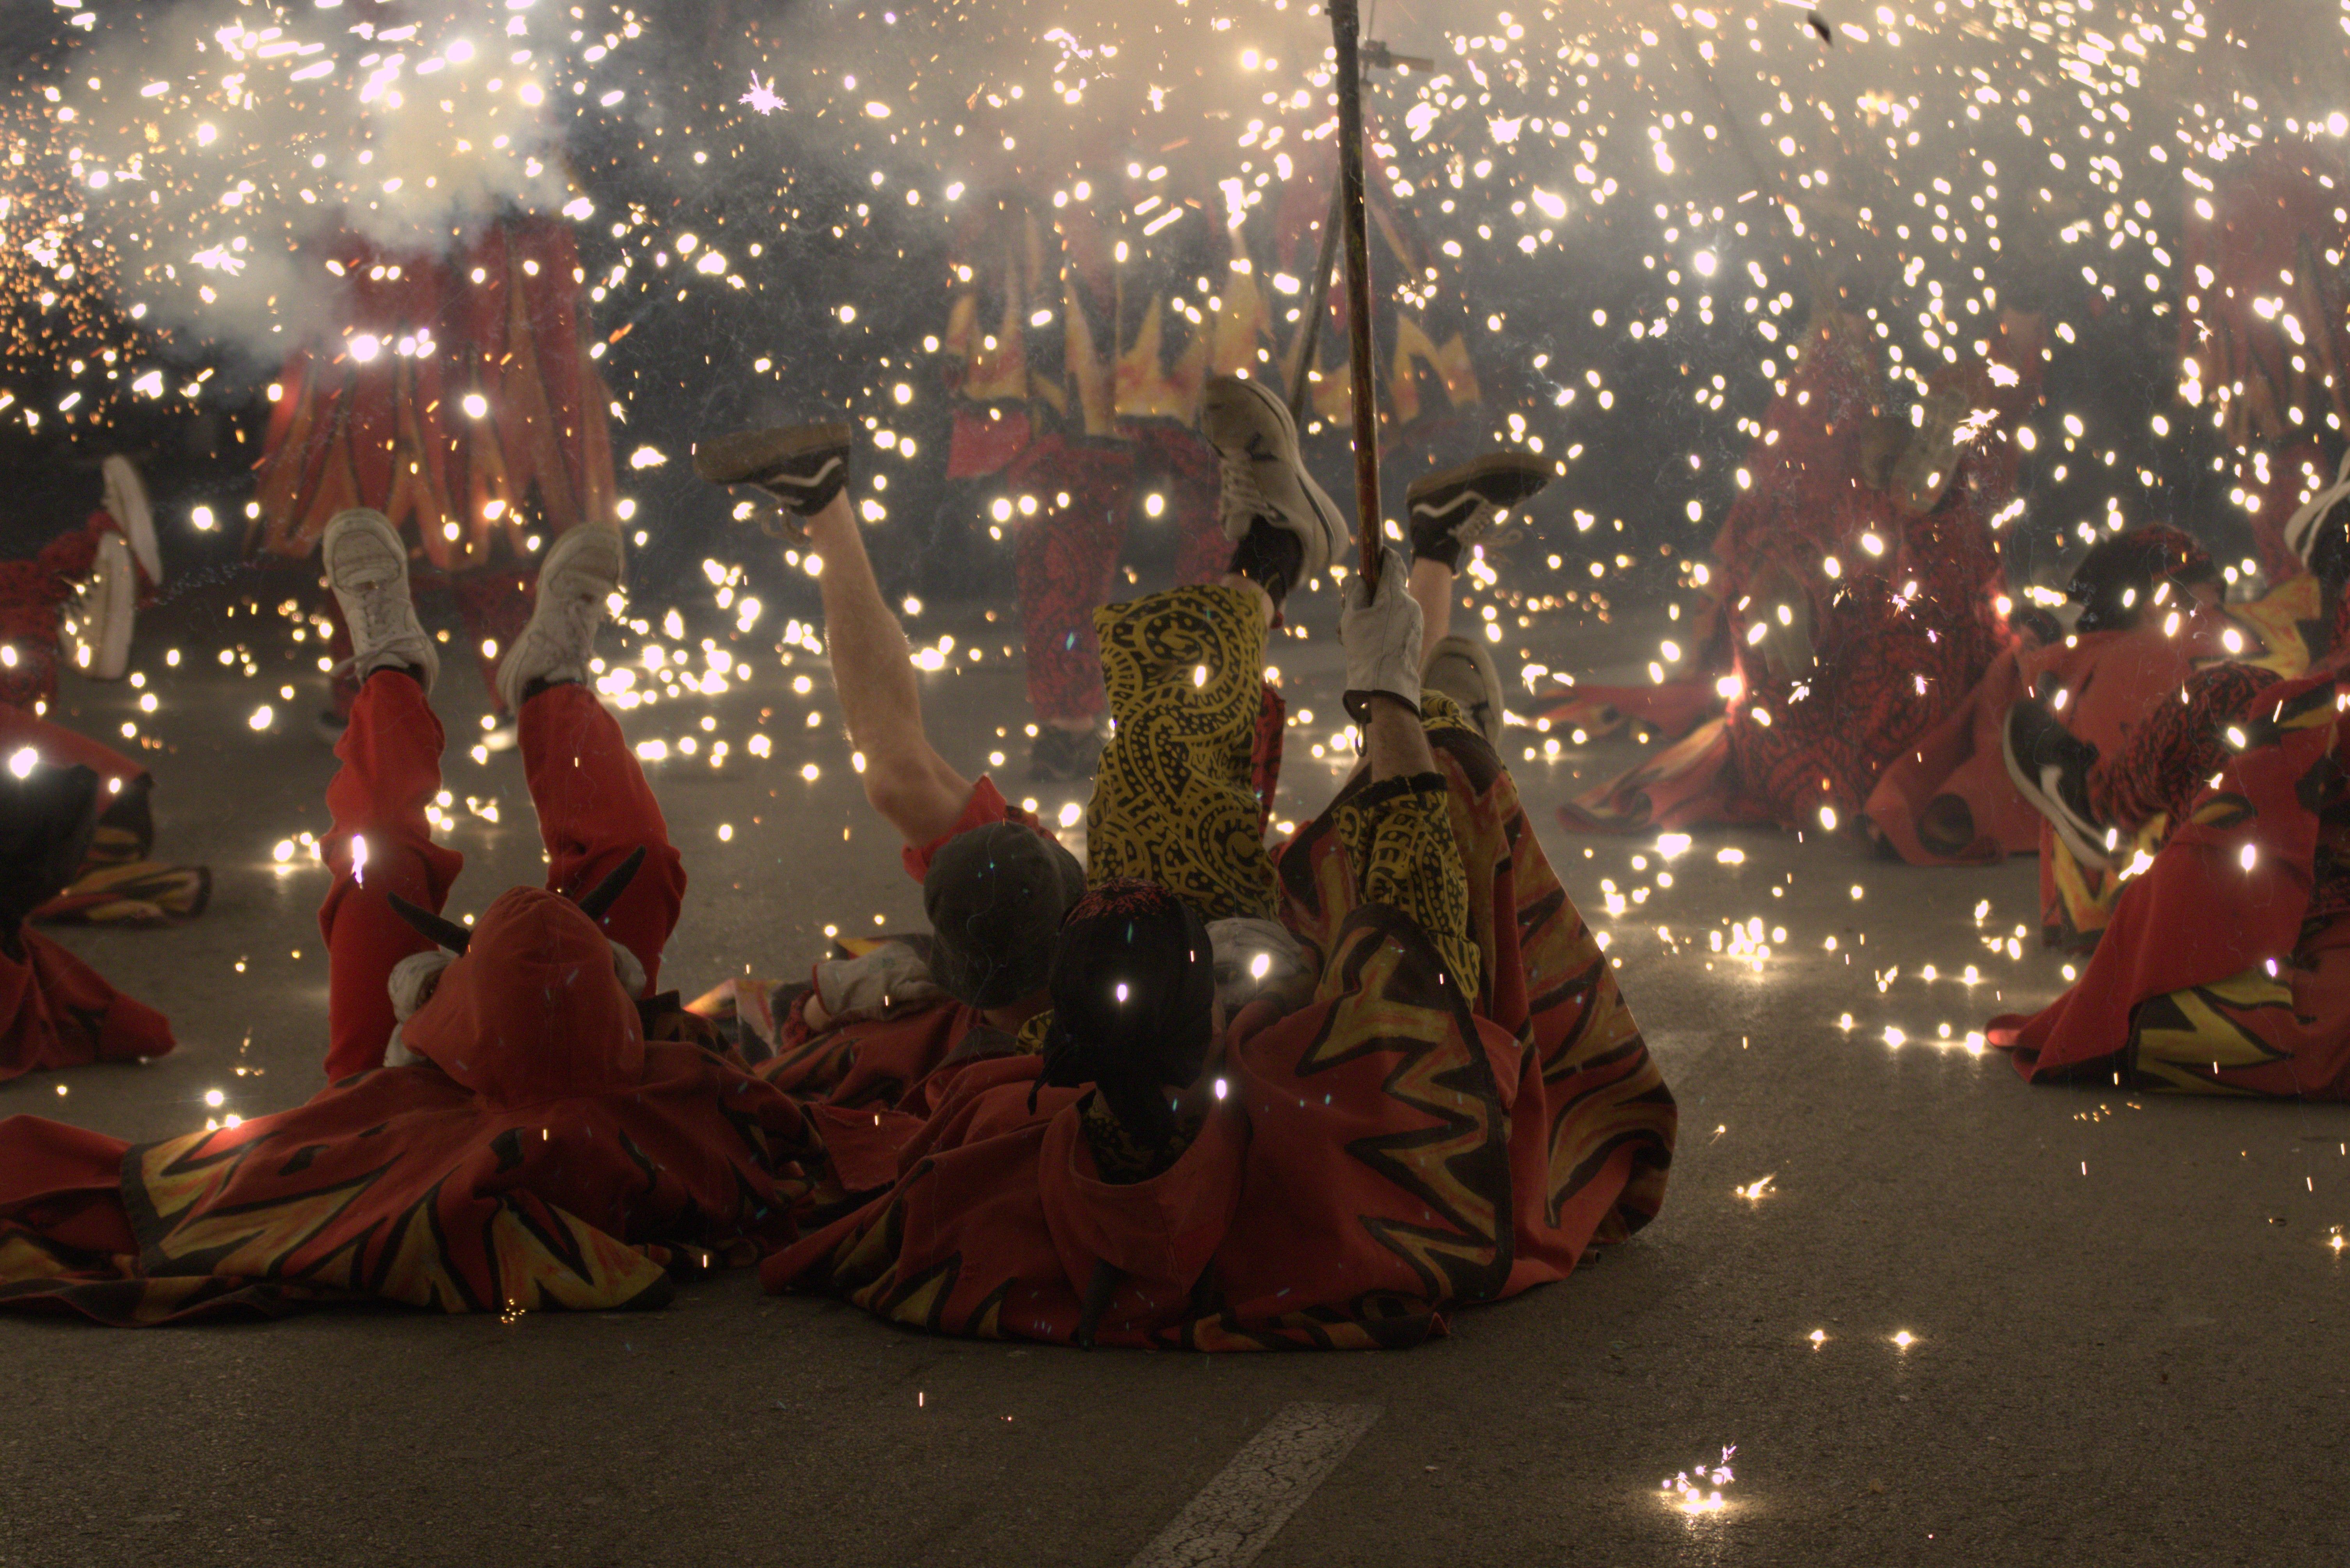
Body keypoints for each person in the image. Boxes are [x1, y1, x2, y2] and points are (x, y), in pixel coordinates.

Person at [765, 379, 1674, 1349]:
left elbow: (883, 1194)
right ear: (1211, 1018)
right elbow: (1419, 929)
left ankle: (1278, 554)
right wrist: (1387, 694)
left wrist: (846, 997)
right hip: (1426, 1061)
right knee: (1443, 782)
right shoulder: (1334, 1098)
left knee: (1161, 762)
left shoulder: (1016, 1105)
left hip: (1157, 1016)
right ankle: (1443, 654)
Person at [0, 509, 815, 1322]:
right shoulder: (670, 1115)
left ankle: (389, 668)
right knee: (638, 860)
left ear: (430, 993)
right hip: (595, 1048)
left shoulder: (383, 1104)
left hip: (383, 1093)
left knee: (376, 855)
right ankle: (553, 682)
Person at [689, 388, 1545, 1114]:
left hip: (1133, 933)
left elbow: (897, 766)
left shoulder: (1000, 968)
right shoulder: (1131, 1068)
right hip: (1226, 968)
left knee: (932, 774)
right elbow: (1408, 951)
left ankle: (1279, 553)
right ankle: (1401, 555)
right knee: (1385, 828)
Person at [1558, 309, 2037, 843]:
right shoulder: (1821, 445)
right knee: (1914, 590)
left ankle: (1916, 505)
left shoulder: (1818, 437)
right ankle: (1928, 501)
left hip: (1857, 676)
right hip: (1880, 651)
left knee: (1890, 585)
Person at [250, 216, 620, 746]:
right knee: (376, 479)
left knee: (494, 480)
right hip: (387, 257)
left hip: (485, 263)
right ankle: (375, 700)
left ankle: (535, 695)